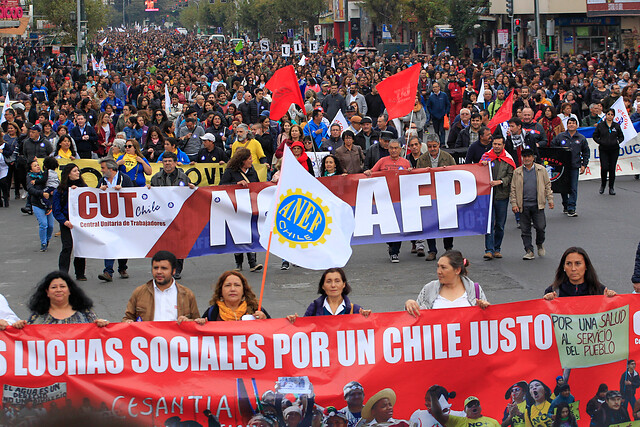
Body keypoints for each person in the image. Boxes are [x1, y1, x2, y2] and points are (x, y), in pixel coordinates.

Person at [364, 139, 411, 263]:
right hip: (384, 199)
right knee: (385, 226)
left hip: (400, 199)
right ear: (388, 149)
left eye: (396, 148)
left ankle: (395, 252)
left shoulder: (405, 162)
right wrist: (368, 172)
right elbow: (372, 172)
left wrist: (412, 172)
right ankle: (390, 243)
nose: (394, 150)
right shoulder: (382, 161)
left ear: (400, 150)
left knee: (398, 226)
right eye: (391, 148)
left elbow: (412, 178)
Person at [149, 152, 195, 278]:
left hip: (179, 216)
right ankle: (164, 267)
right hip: (162, 216)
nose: (167, 163)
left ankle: (177, 269)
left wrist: (192, 189)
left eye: (170, 161)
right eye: (165, 161)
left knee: (179, 244)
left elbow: (190, 197)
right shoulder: (156, 178)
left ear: (175, 162)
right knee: (163, 244)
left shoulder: (183, 178)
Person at [122, 250, 200, 323]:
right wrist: (128, 322)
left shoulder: (187, 294)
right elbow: (127, 318)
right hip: (148, 337)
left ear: (173, 271)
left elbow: (196, 322)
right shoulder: (139, 292)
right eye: (156, 268)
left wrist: (188, 322)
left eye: (164, 268)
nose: (159, 272)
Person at [220, 148, 263, 272]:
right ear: (242, 160)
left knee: (250, 233)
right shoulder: (230, 171)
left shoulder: (252, 172)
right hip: (235, 207)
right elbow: (221, 185)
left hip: (250, 206)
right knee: (238, 234)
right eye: (249, 159)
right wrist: (236, 184)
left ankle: (252, 263)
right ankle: (238, 263)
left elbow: (258, 186)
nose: (252, 160)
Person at [405, 250, 490, 313]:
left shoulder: (475, 290)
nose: (438, 271)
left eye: (443, 267)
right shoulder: (429, 289)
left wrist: (486, 308)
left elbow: (487, 322)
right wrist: (409, 304)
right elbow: (415, 319)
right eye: (438, 266)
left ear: (457, 270)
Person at [415, 135, 456, 260]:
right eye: (430, 146)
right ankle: (432, 250)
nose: (432, 149)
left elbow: (455, 171)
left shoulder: (447, 157)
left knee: (447, 222)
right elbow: (416, 177)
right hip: (429, 195)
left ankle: (448, 248)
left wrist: (447, 171)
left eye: (434, 146)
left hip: (445, 194)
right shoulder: (422, 159)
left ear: (439, 145)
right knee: (429, 223)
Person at [510, 148, 554, 260]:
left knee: (540, 227)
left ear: (533, 158)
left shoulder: (541, 170)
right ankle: (529, 250)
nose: (527, 159)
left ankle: (539, 243)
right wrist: (514, 204)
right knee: (525, 230)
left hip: (537, 204)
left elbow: (547, 185)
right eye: (524, 157)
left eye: (529, 157)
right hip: (523, 205)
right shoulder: (517, 172)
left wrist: (550, 200)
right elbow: (513, 189)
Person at [97, 158, 133, 282]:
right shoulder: (102, 180)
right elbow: (95, 196)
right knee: (109, 243)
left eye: (103, 168)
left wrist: (123, 190)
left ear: (111, 169)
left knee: (122, 243)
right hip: (109, 218)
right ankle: (108, 271)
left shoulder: (125, 179)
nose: (101, 170)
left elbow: (133, 195)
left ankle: (122, 267)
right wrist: (99, 190)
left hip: (123, 218)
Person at [26, 271, 108, 325]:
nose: (58, 290)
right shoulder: (39, 315)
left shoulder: (85, 312)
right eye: (54, 287)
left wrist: (102, 325)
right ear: (47, 292)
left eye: (62, 286)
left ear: (69, 290)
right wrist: (19, 327)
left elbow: (98, 335)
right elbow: (27, 337)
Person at [287, 268, 371, 321]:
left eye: (337, 281)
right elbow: (303, 332)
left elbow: (367, 336)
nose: (333, 285)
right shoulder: (314, 308)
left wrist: (367, 318)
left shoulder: (356, 310)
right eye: (329, 281)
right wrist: (294, 323)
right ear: (323, 286)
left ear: (344, 284)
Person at [481, 136, 514, 260]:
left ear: (503, 145)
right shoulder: (485, 157)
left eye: (499, 144)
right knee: (489, 223)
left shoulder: (508, 159)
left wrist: (500, 181)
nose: (496, 146)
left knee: (500, 224)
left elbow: (511, 175)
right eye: (494, 144)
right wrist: (482, 166)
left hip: (502, 195)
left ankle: (497, 248)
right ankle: (488, 249)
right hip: (488, 195)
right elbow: (478, 171)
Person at [52, 163, 87, 280]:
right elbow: (56, 210)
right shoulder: (60, 191)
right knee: (67, 247)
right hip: (67, 222)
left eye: (78, 170)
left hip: (80, 222)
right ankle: (63, 273)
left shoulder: (83, 187)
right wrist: (64, 221)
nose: (77, 173)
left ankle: (80, 273)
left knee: (80, 247)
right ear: (68, 174)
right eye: (74, 171)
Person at [543, 247, 617, 299]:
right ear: (564, 267)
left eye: (578, 263)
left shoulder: (599, 290)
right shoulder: (554, 290)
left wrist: (611, 299)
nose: (573, 269)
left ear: (586, 266)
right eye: (569, 264)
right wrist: (547, 302)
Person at [550, 117, 589, 217]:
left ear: (577, 125)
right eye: (569, 123)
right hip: (562, 167)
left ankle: (572, 207)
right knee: (563, 187)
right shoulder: (560, 137)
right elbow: (553, 147)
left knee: (573, 187)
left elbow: (586, 152)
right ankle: (566, 205)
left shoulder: (581, 138)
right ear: (567, 125)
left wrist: (584, 165)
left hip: (574, 166)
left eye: (573, 123)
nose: (571, 125)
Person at [199, 271, 269, 321]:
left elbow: (273, 332)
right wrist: (201, 324)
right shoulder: (213, 312)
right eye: (228, 285)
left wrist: (265, 321)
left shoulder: (256, 309)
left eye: (237, 285)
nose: (232, 289)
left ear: (243, 290)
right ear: (221, 291)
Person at [592, 108, 624, 195]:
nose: (610, 116)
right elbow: (595, 136)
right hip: (603, 149)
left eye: (611, 114)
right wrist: (600, 142)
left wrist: (617, 142)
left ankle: (611, 187)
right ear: (606, 115)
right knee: (604, 167)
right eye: (608, 114)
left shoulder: (616, 126)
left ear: (614, 116)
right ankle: (603, 185)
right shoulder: (601, 125)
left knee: (612, 168)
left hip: (614, 149)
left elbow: (621, 137)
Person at [25, 158, 54, 252]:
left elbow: (52, 184)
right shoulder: (30, 177)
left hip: (48, 203)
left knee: (51, 225)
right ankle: (43, 243)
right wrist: (41, 193)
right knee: (43, 224)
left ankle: (48, 238)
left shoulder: (45, 175)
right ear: (30, 169)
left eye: (38, 165)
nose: (37, 166)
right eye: (34, 166)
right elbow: (30, 189)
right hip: (37, 203)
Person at [429, 393, 500, 427]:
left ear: (480, 407)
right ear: (465, 410)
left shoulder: (493, 422)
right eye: (470, 405)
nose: (474, 406)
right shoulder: (457, 421)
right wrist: (433, 395)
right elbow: (438, 415)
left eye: (476, 403)